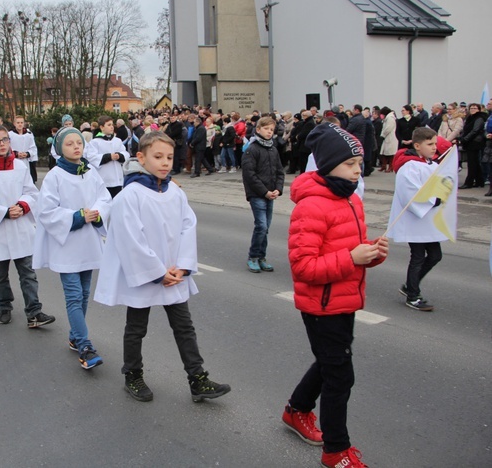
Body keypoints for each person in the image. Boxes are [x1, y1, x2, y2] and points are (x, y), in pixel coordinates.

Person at [94, 131, 231, 403]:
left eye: (169, 157)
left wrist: (183, 266)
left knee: (184, 327)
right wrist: (157, 273)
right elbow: (130, 238)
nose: (165, 162)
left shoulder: (175, 193)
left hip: (174, 272)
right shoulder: (129, 196)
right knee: (136, 327)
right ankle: (132, 375)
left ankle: (197, 379)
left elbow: (187, 227)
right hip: (147, 274)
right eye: (158, 157)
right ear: (141, 158)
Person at [282, 122, 388, 468]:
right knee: (340, 374)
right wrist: (352, 258)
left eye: (360, 163)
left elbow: (350, 250)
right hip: (322, 306)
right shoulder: (312, 206)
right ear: (327, 165)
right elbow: (303, 267)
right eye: (350, 164)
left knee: (331, 361)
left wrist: (372, 253)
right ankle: (335, 450)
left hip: (345, 299)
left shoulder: (351, 200)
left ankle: (296, 409)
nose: (358, 170)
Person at [34, 127, 111, 370]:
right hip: (66, 244)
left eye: (79, 142)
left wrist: (98, 212)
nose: (77, 147)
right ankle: (85, 346)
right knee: (74, 295)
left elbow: (105, 198)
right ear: (59, 149)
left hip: (88, 243)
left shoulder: (90, 171)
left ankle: (74, 335)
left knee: (85, 292)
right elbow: (46, 211)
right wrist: (77, 216)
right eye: (70, 144)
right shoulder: (55, 176)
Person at [0, 124, 56, 328]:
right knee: (0, 274)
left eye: (5, 139)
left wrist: (22, 206)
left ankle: (34, 311)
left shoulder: (19, 165)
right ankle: (4, 307)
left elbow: (32, 191)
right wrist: (4, 212)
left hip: (20, 226)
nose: (2, 144)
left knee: (27, 272)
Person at [388, 127, 453, 311]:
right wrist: (434, 199)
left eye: (435, 144)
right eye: (430, 144)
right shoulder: (409, 166)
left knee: (435, 255)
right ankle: (413, 296)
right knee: (417, 256)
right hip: (414, 221)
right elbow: (409, 193)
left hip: (427, 222)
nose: (434, 148)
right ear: (417, 145)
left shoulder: (429, 163)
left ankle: (410, 285)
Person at [241, 116, 285, 273]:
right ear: (258, 130)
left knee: (265, 228)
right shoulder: (251, 149)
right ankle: (253, 257)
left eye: (272, 129)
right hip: (257, 194)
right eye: (266, 129)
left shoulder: (273, 149)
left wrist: (278, 189)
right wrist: (264, 192)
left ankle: (261, 257)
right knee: (261, 225)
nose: (269, 132)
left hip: (270, 193)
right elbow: (249, 175)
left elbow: (280, 171)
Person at [89, 115, 128, 198]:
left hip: (117, 179)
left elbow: (126, 153)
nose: (112, 127)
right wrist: (109, 157)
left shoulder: (117, 140)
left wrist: (120, 156)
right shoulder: (95, 142)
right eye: (109, 125)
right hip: (104, 180)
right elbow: (91, 157)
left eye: (112, 125)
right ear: (102, 127)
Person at [458, 103, 487, 189]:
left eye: (475, 108)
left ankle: (469, 182)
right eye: (471, 108)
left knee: (472, 164)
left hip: (475, 142)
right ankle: (479, 181)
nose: (473, 109)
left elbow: (475, 130)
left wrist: (465, 139)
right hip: (470, 142)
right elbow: (466, 130)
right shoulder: (470, 118)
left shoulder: (479, 118)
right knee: (475, 163)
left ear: (479, 109)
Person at [9, 115, 38, 183]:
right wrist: (16, 154)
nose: (20, 124)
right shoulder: (10, 135)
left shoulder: (29, 135)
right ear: (14, 123)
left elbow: (33, 148)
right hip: (14, 160)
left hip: (25, 161)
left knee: (26, 180)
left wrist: (27, 154)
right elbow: (7, 148)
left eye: (21, 122)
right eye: (18, 122)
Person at [379, 107, 398, 172]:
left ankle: (390, 167)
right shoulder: (387, 118)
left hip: (390, 137)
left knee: (390, 154)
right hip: (386, 138)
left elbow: (388, 128)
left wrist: (383, 135)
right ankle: (384, 166)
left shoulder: (390, 118)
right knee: (384, 153)